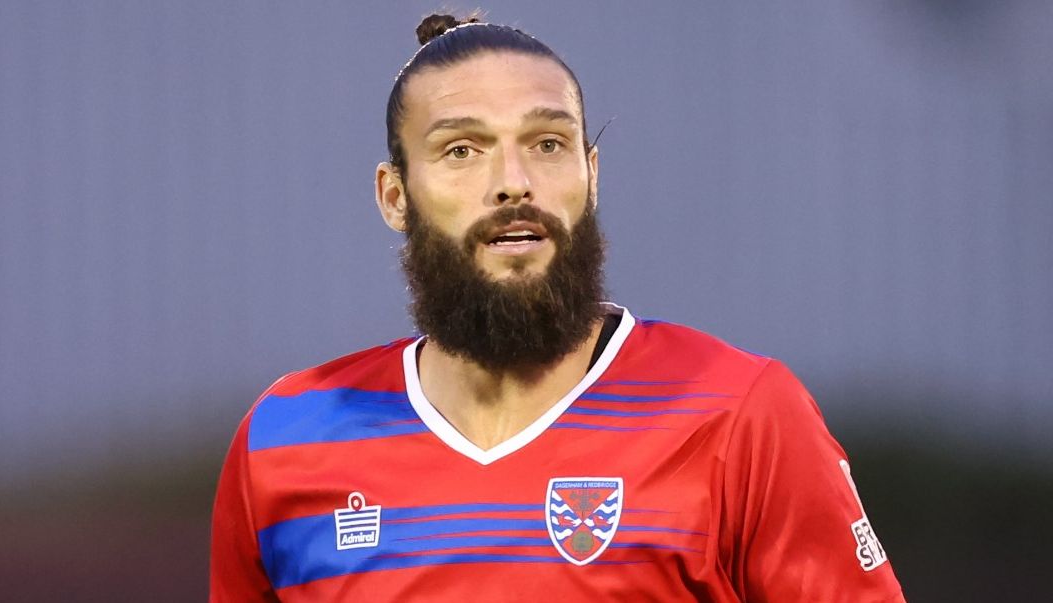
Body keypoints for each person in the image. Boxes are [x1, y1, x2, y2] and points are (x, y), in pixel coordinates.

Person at [210, 14, 906, 602]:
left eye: (547, 144)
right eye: (461, 150)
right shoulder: (285, 440)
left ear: (591, 175)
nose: (514, 183)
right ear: (395, 196)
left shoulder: (740, 414)